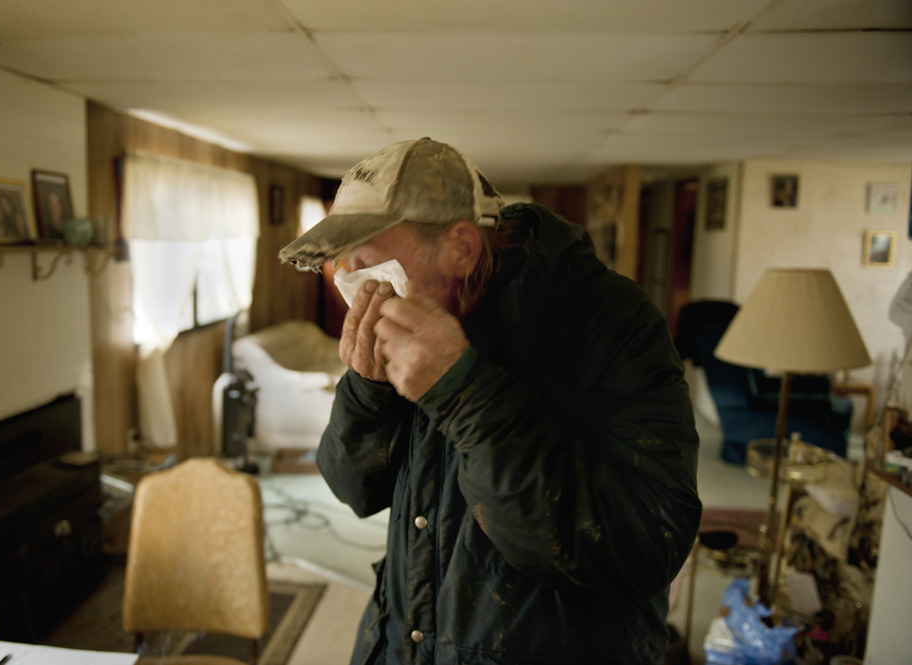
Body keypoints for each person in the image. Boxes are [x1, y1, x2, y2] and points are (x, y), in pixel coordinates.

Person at [279, 138, 701, 664]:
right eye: (345, 261)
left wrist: (464, 392)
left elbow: (643, 547)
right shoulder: (418, 317)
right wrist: (368, 389)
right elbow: (353, 488)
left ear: (461, 246)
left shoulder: (611, 320)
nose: (352, 278)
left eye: (368, 255)